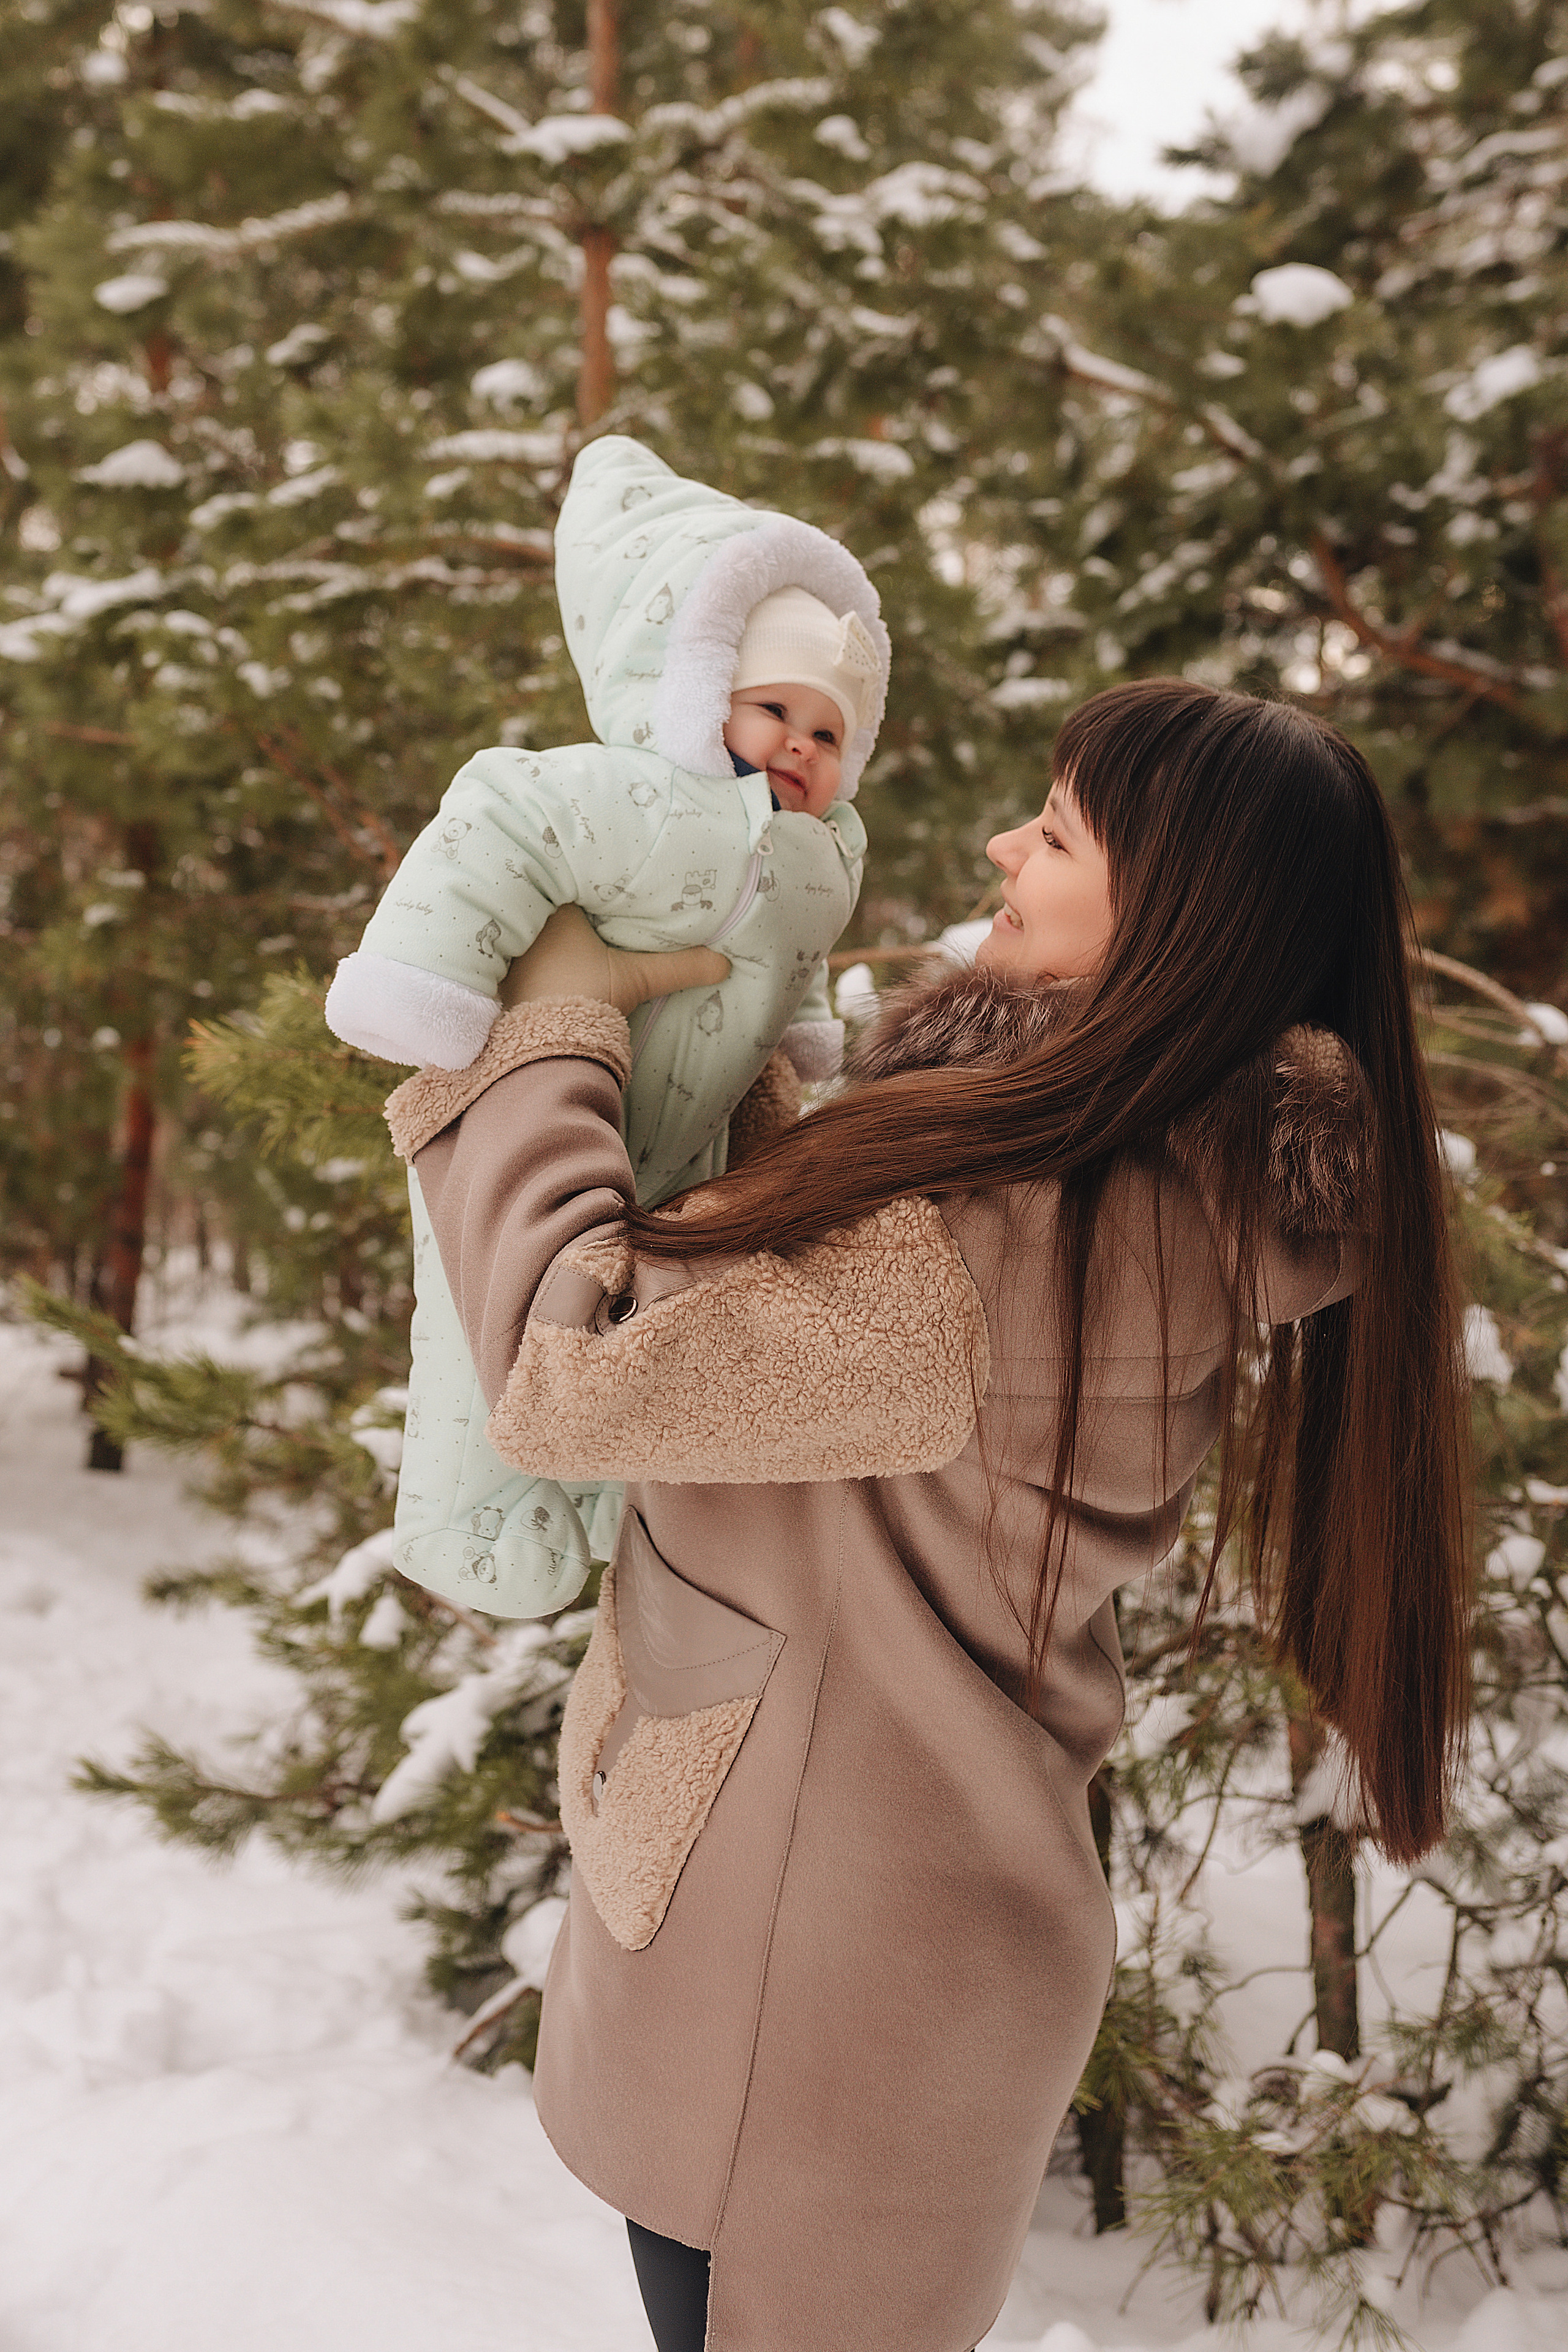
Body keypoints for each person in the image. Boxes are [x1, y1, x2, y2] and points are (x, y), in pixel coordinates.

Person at [383, 679, 1470, 2352]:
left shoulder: (1009, 1225)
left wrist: (558, 1027)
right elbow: (816, 1346)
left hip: (808, 1979)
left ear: (1172, 915)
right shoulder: (1120, 1176)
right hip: (878, 1940)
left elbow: (579, 1366)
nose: (1000, 846)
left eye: (1053, 831)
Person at [323, 434, 889, 1615]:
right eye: (773, 707)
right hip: (536, 1091)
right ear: (696, 687)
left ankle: (588, 1507)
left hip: (685, 1141)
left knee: (617, 1323)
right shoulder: (622, 795)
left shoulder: (825, 855)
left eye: (830, 732)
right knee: (484, 1317)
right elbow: (496, 824)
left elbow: (800, 953)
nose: (800, 743)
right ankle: (460, 1532)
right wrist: (423, 975)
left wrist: (802, 1045)